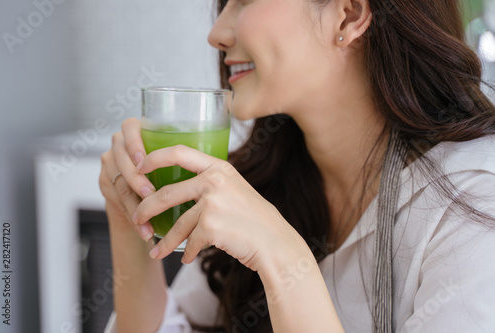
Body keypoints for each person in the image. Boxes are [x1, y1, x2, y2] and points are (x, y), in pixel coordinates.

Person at [99, 0, 495, 332]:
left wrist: (285, 258)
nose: (216, 33)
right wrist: (129, 217)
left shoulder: (475, 200)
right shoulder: (267, 179)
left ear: (348, 16)